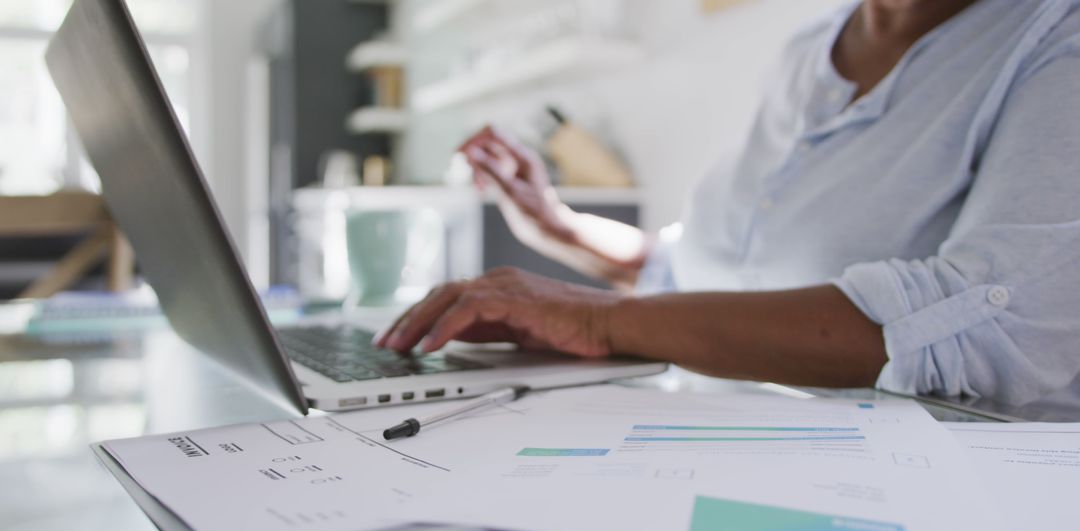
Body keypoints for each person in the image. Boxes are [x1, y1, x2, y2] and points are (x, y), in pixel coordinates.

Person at [376, 0, 1080, 407]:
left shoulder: (1054, 38)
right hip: (711, 445)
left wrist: (600, 321)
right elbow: (716, 277)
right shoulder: (808, 50)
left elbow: (993, 328)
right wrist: (560, 227)